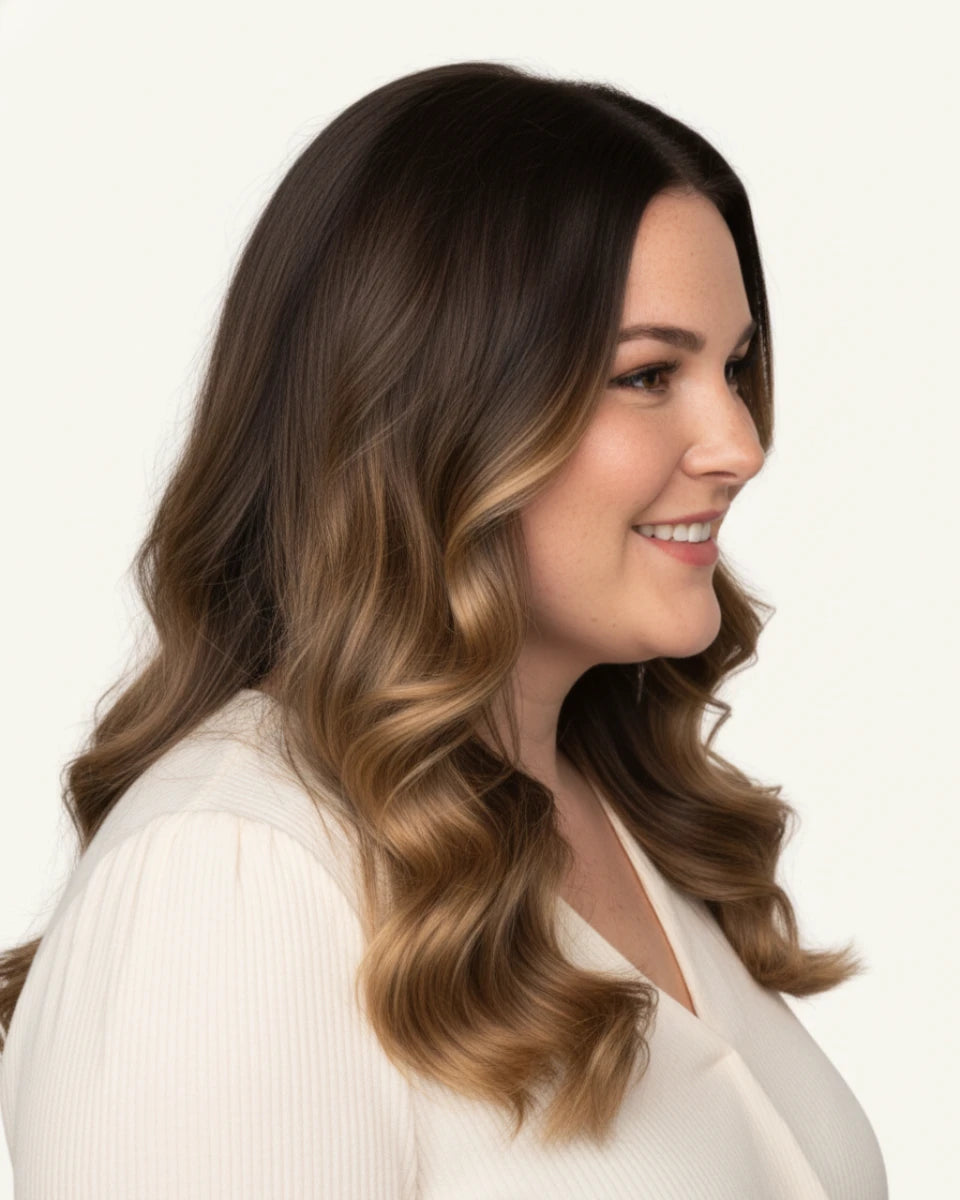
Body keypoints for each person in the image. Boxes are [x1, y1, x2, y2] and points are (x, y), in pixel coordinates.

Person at [0, 61, 888, 1198]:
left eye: (736, 366)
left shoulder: (630, 820)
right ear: (435, 414)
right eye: (648, 374)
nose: (740, 446)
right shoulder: (225, 879)